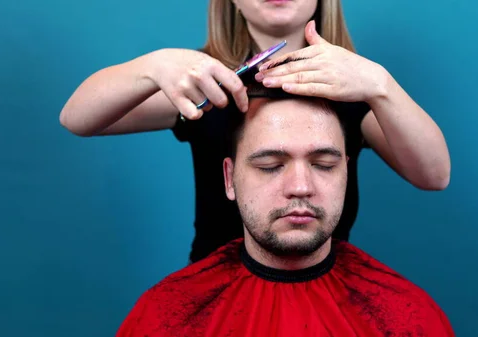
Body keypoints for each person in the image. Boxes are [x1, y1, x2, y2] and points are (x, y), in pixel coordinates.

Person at [59, 0, 451, 263]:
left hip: (324, 284)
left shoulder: (353, 87)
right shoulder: (205, 83)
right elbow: (77, 119)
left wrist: (380, 84)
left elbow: (434, 175)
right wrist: (153, 66)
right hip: (217, 288)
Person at [114, 86, 455, 337]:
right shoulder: (168, 317)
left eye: (323, 165)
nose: (301, 186)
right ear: (229, 179)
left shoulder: (405, 317)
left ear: (346, 173)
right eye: (271, 165)